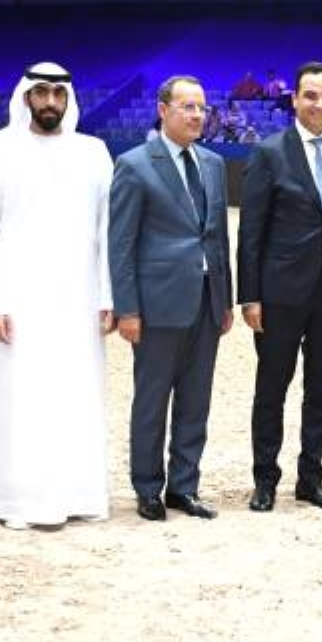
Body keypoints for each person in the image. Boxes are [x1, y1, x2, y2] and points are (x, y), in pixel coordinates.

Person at [0, 63, 115, 529]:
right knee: (19, 398)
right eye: (41, 93)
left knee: (76, 394)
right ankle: (19, 501)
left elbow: (106, 231)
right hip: (19, 299)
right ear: (27, 98)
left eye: (57, 93)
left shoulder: (93, 153)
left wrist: (107, 297)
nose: (49, 101)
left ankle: (78, 495)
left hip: (79, 298)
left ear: (67, 98)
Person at [236, 61, 322, 513]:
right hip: (279, 293)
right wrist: (249, 295)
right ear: (294, 99)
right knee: (271, 388)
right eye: (311, 95)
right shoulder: (269, 153)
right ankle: (265, 481)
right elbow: (251, 231)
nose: (319, 104)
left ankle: (311, 478)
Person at [108, 75, 233, 521]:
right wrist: (127, 308)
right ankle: (147, 488)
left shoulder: (215, 163)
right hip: (157, 304)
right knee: (152, 399)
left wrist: (226, 300)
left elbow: (217, 237)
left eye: (202, 107)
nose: (197, 115)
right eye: (187, 107)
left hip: (206, 300)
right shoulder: (134, 164)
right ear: (163, 110)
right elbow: (120, 243)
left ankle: (185, 486)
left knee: (196, 399)